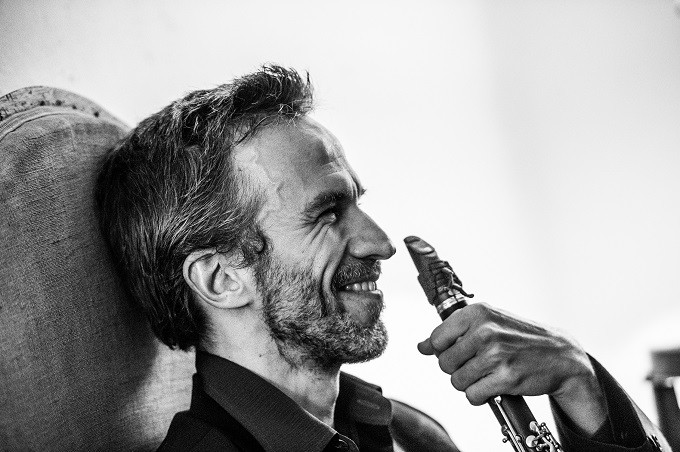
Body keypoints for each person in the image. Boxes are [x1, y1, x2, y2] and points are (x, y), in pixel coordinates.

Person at [95, 66, 669, 452]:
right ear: (221, 278)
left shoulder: (409, 433)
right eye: (327, 213)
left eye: (357, 204)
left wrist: (579, 382)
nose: (381, 243)